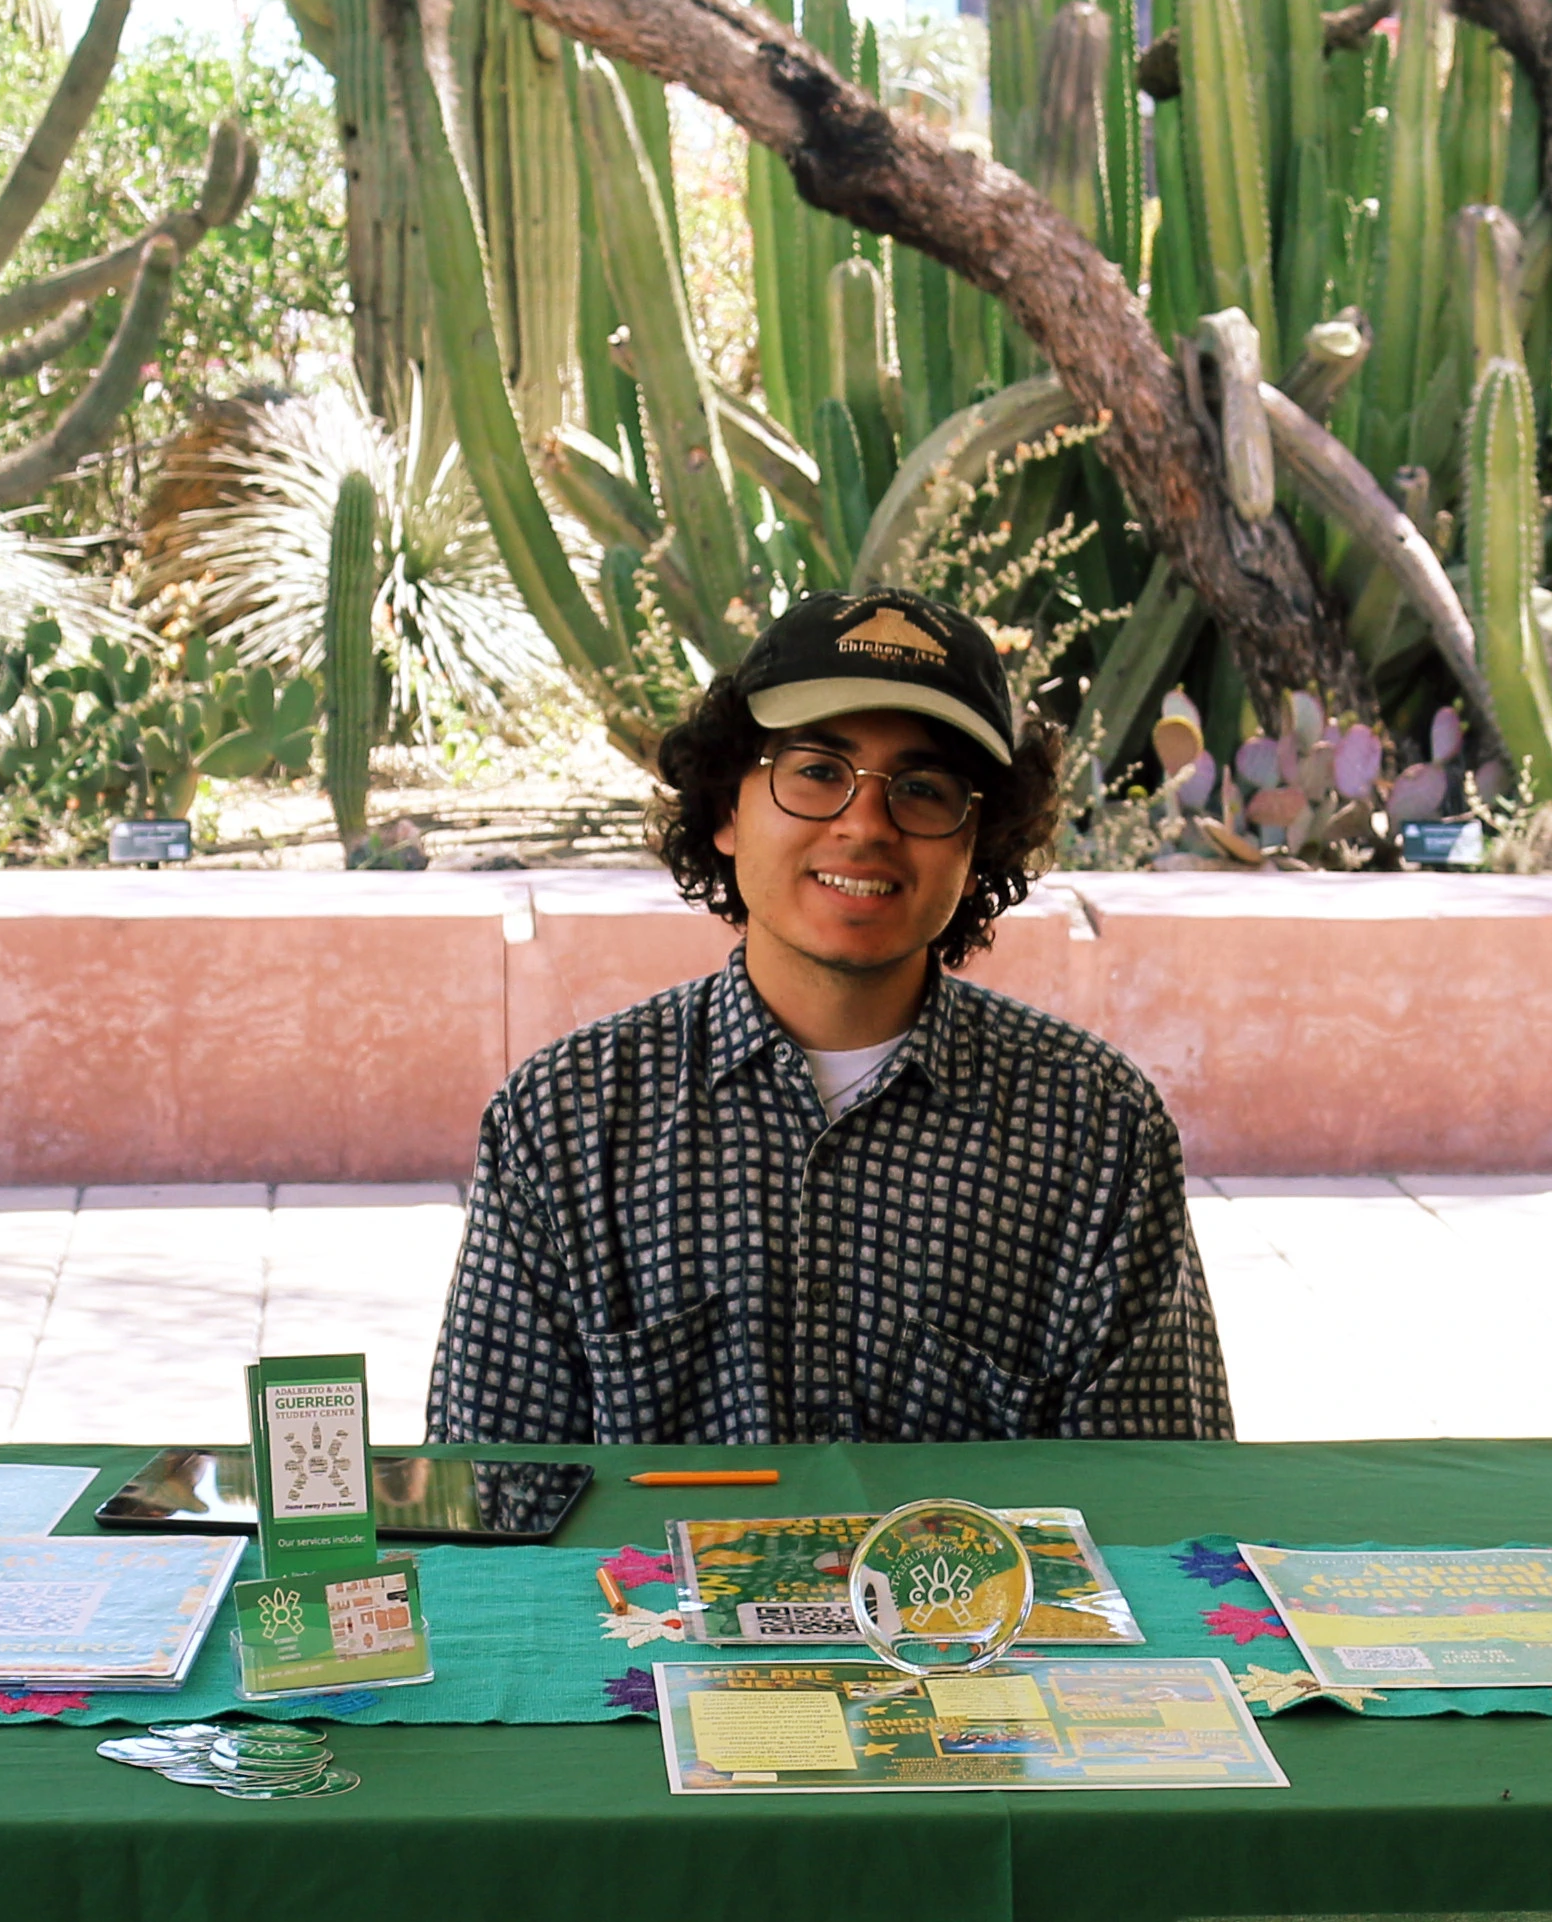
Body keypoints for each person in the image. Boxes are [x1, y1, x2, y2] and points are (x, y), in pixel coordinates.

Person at [424, 589, 1233, 1446]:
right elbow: (488, 1498)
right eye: (816, 771)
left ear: (976, 843)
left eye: (921, 789)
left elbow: (1160, 1502)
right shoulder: (565, 1119)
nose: (865, 824)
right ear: (729, 810)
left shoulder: (1096, 1128)